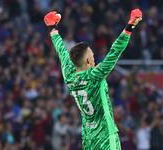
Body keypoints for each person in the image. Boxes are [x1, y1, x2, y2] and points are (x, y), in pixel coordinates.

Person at [44, 9, 142, 150]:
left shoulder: (69, 74)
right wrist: (130, 25)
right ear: (89, 59)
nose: (94, 55)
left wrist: (52, 28)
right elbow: (115, 51)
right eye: (92, 53)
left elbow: (62, 51)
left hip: (88, 137)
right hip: (106, 136)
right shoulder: (95, 76)